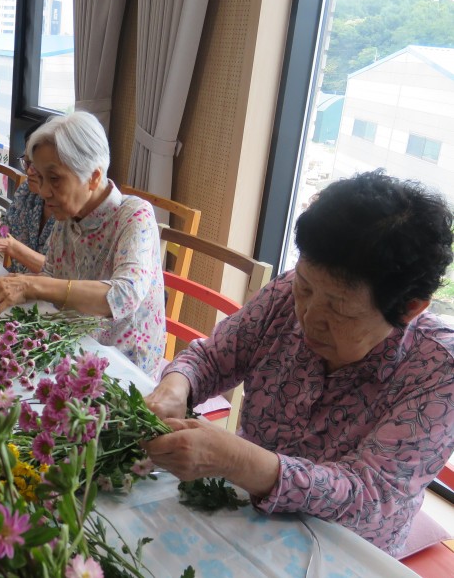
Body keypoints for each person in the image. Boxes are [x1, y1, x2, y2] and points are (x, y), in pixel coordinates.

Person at [143, 171, 454, 557]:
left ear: (410, 308)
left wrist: (236, 459)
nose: (308, 316)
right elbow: (212, 357)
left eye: (339, 308)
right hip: (243, 510)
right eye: (304, 288)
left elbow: (370, 496)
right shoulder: (286, 292)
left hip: (340, 550)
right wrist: (175, 388)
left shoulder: (439, 370)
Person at [0, 111, 166, 374]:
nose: (44, 192)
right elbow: (51, 274)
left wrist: (31, 284)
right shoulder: (68, 215)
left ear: (94, 177)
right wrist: (22, 286)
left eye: (54, 179)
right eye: (41, 178)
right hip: (72, 346)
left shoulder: (134, 214)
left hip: (122, 368)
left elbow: (124, 295)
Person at [0, 121, 55, 273]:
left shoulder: (71, 210)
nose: (30, 171)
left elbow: (59, 272)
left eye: (36, 165)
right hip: (14, 280)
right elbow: (7, 227)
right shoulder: (27, 190)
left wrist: (10, 245)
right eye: (27, 162)